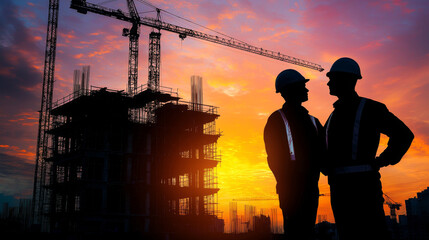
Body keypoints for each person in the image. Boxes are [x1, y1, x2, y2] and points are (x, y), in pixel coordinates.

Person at [324, 57, 414, 240]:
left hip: (364, 190)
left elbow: (403, 135)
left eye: (332, 78)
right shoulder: (333, 116)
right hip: (339, 191)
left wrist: (383, 159)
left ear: (347, 80)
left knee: (372, 234)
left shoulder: (372, 109)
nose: (328, 82)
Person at [264, 69, 325, 240]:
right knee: (296, 233)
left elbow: (324, 153)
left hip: (311, 188)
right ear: (290, 90)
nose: (307, 90)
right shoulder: (277, 120)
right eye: (303, 87)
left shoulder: (313, 121)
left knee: (307, 232)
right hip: (291, 190)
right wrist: (287, 181)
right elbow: (273, 158)